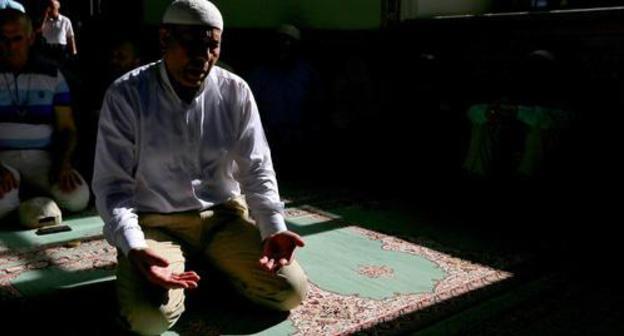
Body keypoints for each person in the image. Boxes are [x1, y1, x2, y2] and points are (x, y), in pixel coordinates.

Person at [91, 1, 308, 334]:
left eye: (212, 45)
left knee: (290, 291)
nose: (202, 57)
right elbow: (112, 188)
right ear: (164, 39)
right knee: (150, 320)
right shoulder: (127, 95)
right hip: (156, 224)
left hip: (223, 219)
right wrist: (134, 245)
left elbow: (257, 169)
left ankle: (211, 261)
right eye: (191, 43)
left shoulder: (235, 91)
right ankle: (190, 267)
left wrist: (272, 227)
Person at [0, 8, 89, 222]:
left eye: (17, 39)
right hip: (2, 160)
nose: (10, 46)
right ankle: (22, 197)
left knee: (78, 198)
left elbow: (67, 128)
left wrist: (63, 163)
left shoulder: (51, 74)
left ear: (30, 38)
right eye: (3, 39)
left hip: (43, 158)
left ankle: (27, 197)